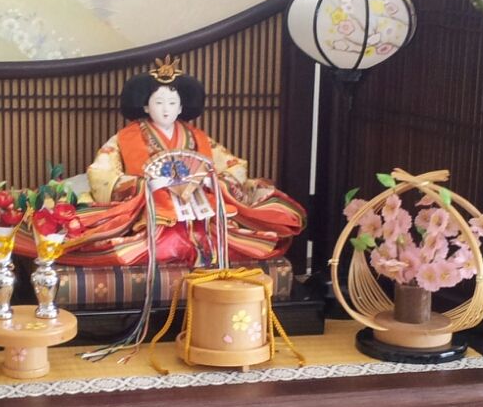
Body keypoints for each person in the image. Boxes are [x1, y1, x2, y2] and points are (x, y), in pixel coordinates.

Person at [67, 56, 305, 265]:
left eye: (172, 103)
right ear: (146, 106)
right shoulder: (125, 138)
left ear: (181, 107)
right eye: (158, 102)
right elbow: (102, 172)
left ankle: (201, 246)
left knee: (222, 237)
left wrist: (212, 181)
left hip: (198, 203)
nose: (166, 109)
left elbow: (233, 166)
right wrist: (141, 185)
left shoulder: (197, 137)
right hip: (151, 206)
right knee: (145, 241)